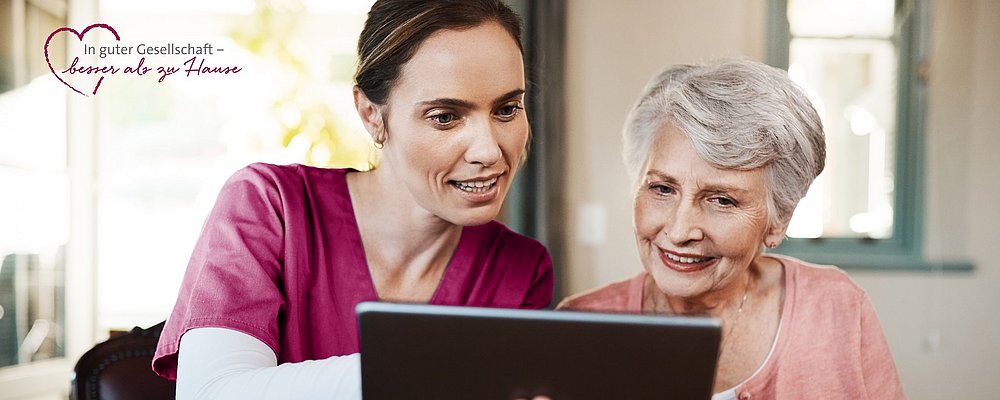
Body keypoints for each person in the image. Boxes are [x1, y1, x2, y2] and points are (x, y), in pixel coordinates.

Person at [152, 1, 554, 398]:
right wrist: (441, 370)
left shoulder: (522, 269)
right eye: (445, 117)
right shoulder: (270, 205)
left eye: (507, 109)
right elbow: (213, 393)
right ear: (370, 114)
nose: (488, 151)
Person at [558, 59, 906, 399]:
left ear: (779, 220)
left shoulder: (837, 308)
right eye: (662, 189)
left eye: (722, 200)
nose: (680, 231)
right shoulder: (577, 327)